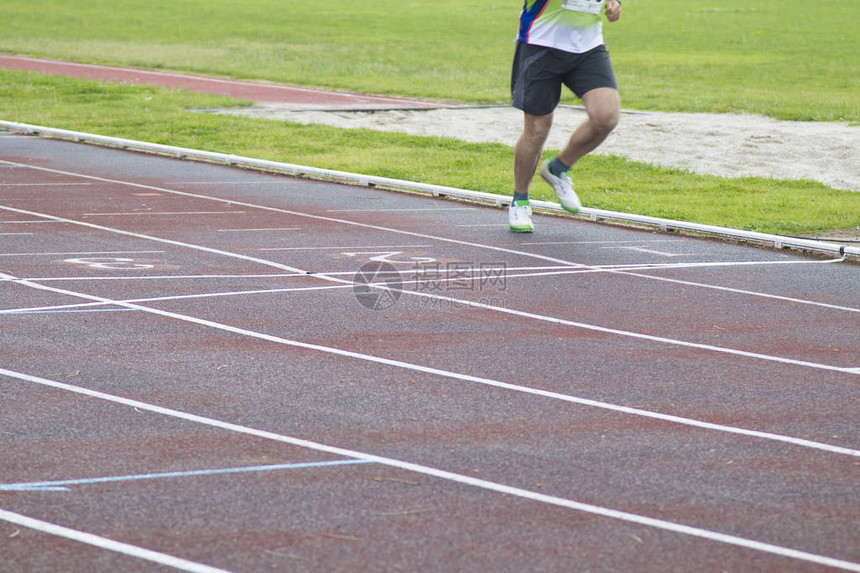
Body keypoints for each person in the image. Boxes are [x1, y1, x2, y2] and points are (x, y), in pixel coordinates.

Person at [509, 0, 622, 233]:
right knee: (538, 129)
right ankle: (519, 200)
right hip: (541, 43)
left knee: (606, 117)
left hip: (588, 47)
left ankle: (558, 168)